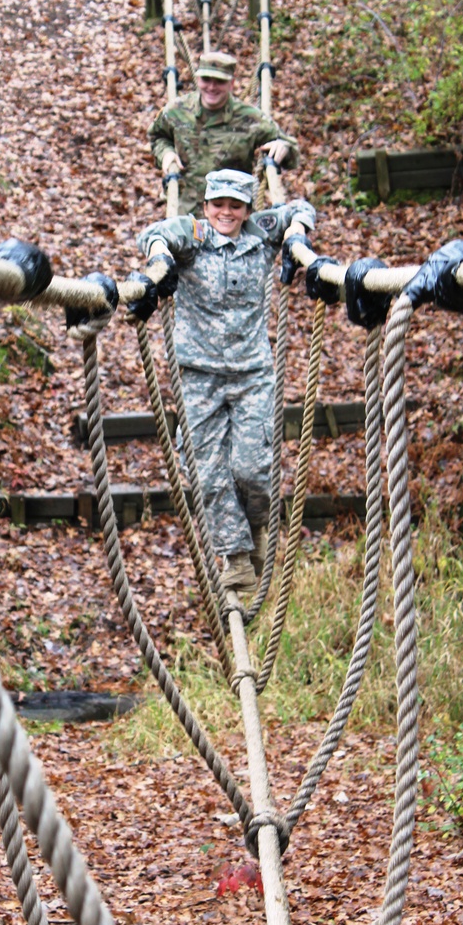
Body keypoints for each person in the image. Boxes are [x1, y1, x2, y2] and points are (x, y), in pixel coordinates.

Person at [137, 169, 315, 593]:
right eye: (218, 204)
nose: (226, 212)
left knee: (252, 466)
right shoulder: (192, 234)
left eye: (235, 205)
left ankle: (255, 529)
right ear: (205, 206)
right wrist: (160, 257)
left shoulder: (262, 233)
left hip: (252, 372)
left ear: (248, 210)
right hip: (198, 374)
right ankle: (236, 555)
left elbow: (302, 208)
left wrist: (297, 236)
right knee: (206, 470)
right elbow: (154, 234)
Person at [149, 51, 299, 216]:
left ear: (231, 83)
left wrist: (283, 147)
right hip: (187, 214)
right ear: (198, 79)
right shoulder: (176, 111)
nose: (212, 87)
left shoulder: (250, 118)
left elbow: (290, 150)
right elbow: (157, 136)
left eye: (219, 81)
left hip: (231, 218)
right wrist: (166, 153)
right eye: (206, 80)